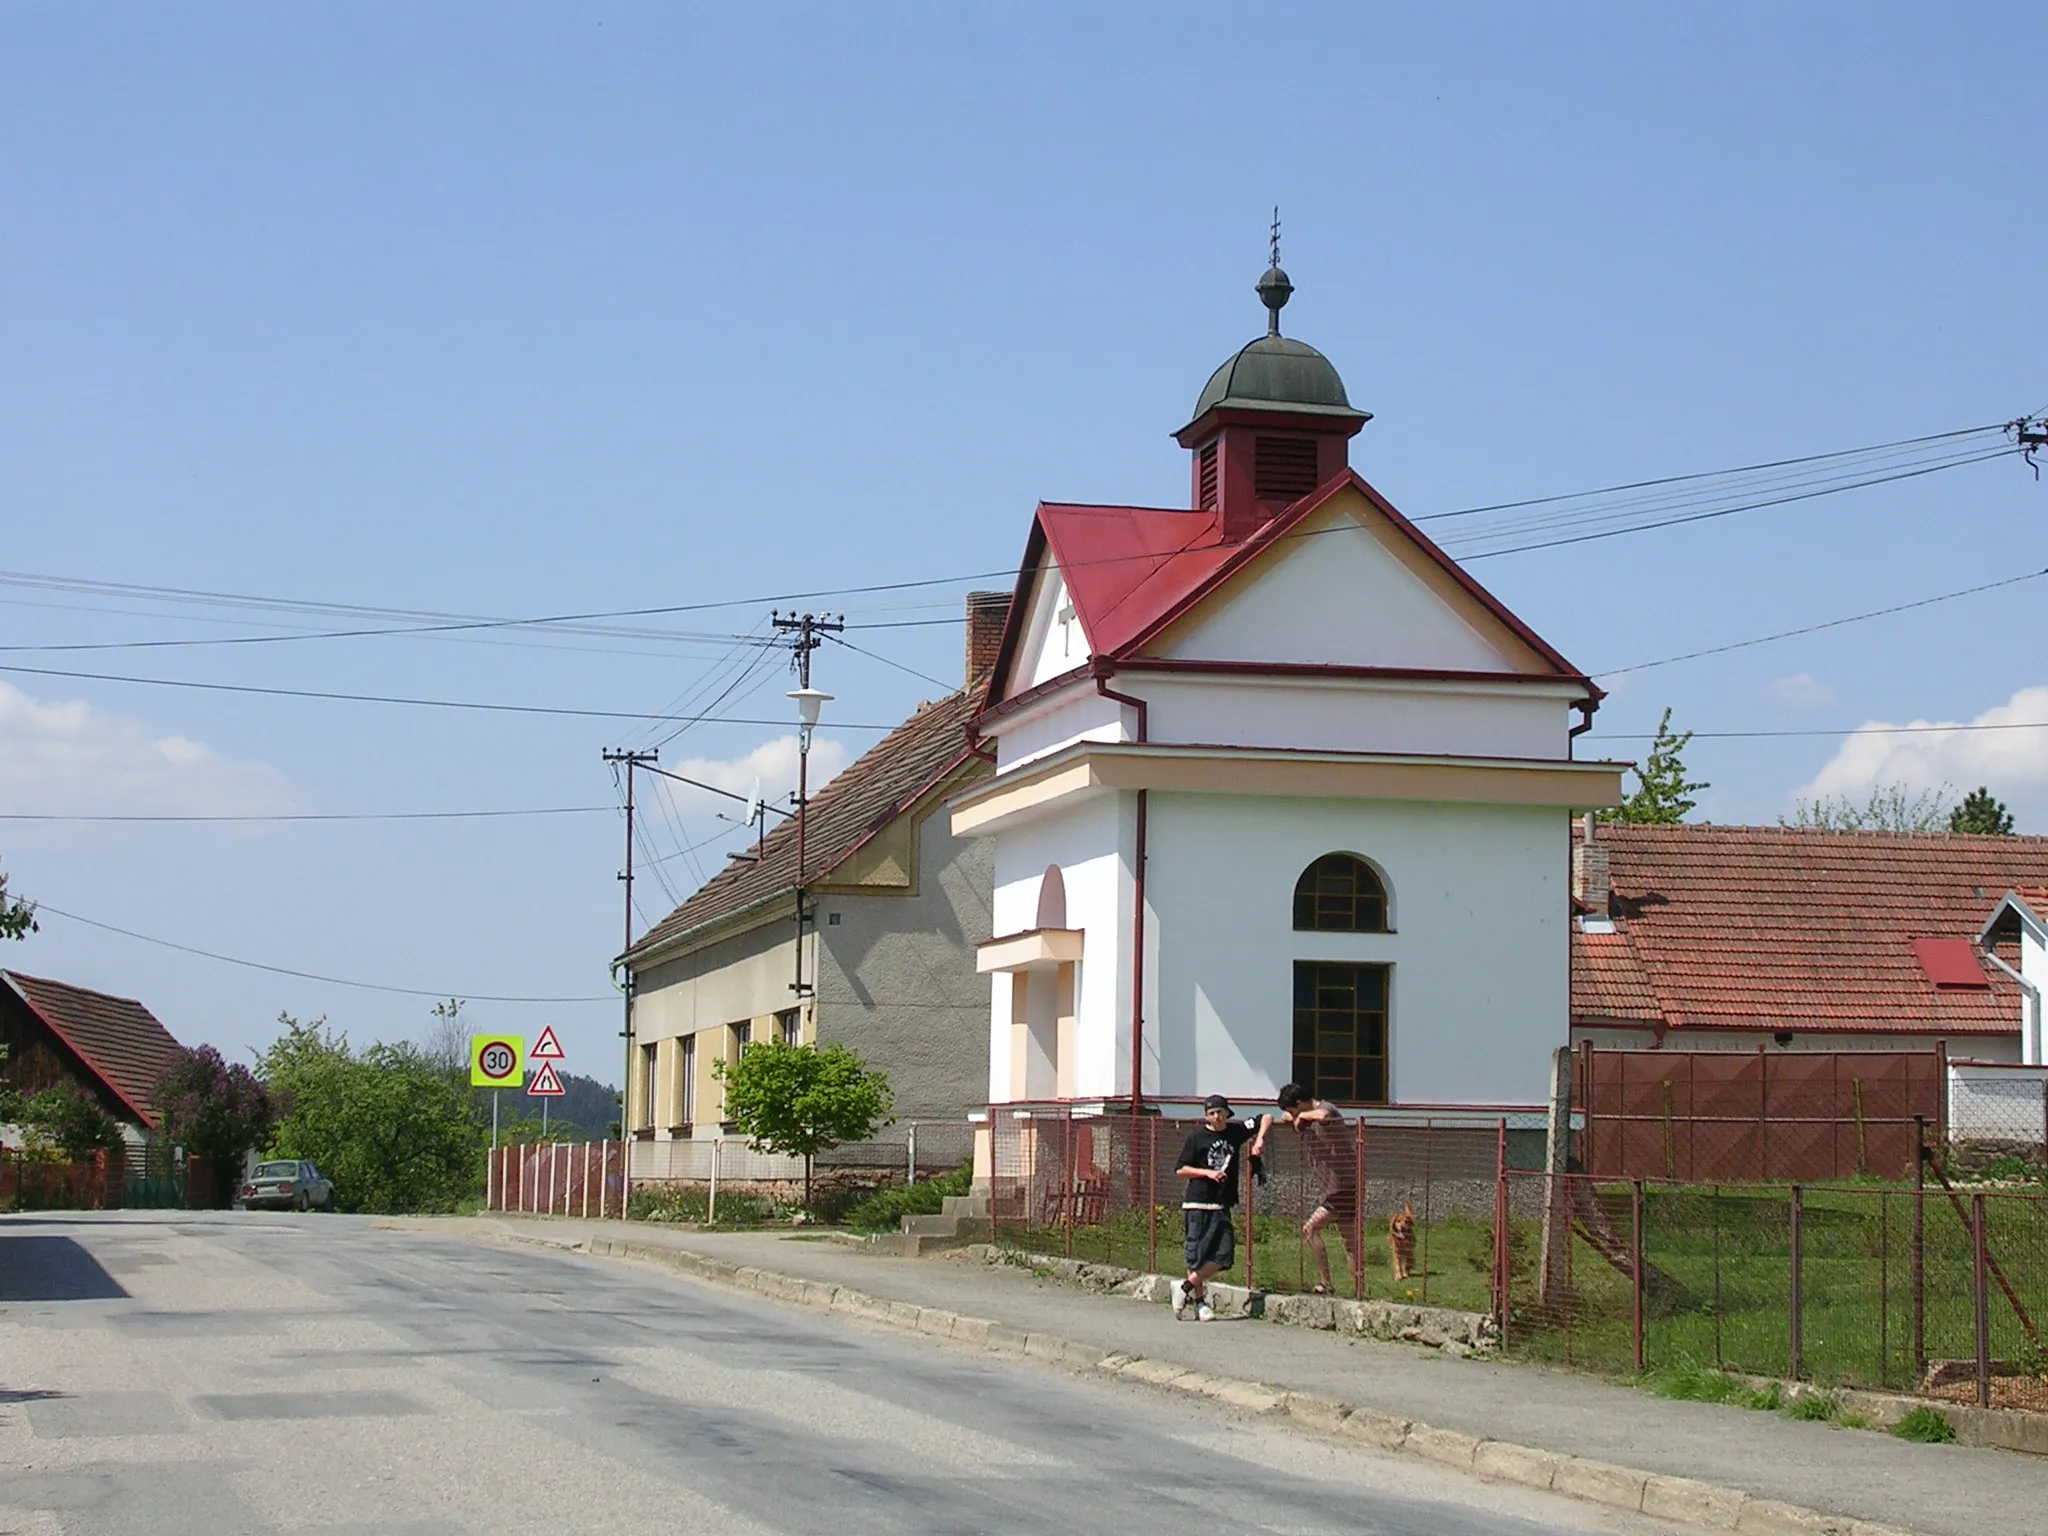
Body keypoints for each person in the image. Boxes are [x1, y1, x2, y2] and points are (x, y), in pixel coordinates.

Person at [1172, 1094, 1270, 1321]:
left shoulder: (1235, 1132)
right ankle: (1199, 1303)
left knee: (1224, 1254)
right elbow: (1180, 1169)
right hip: (1198, 1201)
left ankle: (1184, 1287)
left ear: (1227, 1113)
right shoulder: (1197, 1137)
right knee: (1197, 1256)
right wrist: (1207, 1173)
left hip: (1221, 1202)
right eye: (1212, 1113)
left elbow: (1265, 1116)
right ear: (1206, 1116)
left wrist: (1259, 1140)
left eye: (1220, 1112)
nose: (1217, 1117)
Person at [1276, 1082, 1357, 1296]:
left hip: (1342, 1185)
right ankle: (1360, 1290)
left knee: (1310, 1229)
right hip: (1335, 1187)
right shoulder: (1304, 1116)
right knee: (1349, 1240)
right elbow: (1293, 1121)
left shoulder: (1325, 1109)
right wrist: (1294, 1118)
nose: (1292, 1114)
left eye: (1293, 1109)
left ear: (1301, 1103)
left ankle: (1327, 1284)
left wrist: (1302, 1117)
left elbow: (1323, 1116)